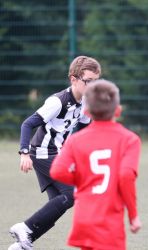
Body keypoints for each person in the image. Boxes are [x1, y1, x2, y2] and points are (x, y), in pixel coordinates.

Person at [8, 56, 102, 250]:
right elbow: (28, 124)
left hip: (58, 154)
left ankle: (23, 244)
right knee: (72, 193)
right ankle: (24, 227)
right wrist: (24, 153)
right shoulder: (58, 102)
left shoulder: (85, 102)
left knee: (61, 201)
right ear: (73, 79)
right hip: (43, 152)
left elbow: (85, 130)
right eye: (88, 81)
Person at [50, 79, 142, 250]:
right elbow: (125, 176)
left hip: (83, 218)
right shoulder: (130, 140)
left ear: (86, 112)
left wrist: (82, 179)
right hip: (109, 221)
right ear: (118, 110)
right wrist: (133, 215)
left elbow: (57, 171)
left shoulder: (75, 140)